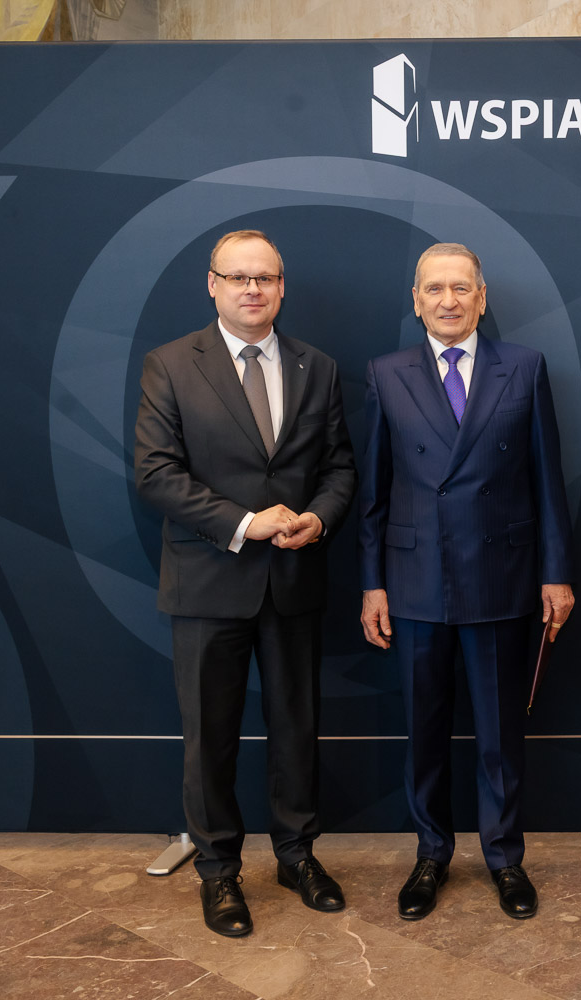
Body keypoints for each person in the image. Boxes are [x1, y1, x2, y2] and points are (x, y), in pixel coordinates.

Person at [134, 229, 357, 937]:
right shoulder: (171, 364)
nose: (252, 289)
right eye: (238, 277)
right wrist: (243, 523)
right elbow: (156, 473)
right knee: (211, 738)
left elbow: (339, 467)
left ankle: (297, 857)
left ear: (282, 286)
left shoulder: (318, 367)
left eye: (265, 277)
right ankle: (219, 872)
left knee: (297, 730)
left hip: (294, 578)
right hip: (208, 580)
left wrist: (319, 519)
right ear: (213, 285)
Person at [358, 242, 576, 921]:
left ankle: (504, 859)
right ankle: (431, 854)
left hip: (501, 577)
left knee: (500, 736)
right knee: (423, 731)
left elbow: (547, 480)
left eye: (460, 288)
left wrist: (556, 573)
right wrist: (371, 583)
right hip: (414, 580)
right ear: (416, 300)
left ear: (482, 298)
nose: (447, 300)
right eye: (434, 288)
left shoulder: (525, 367)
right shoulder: (386, 373)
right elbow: (373, 492)